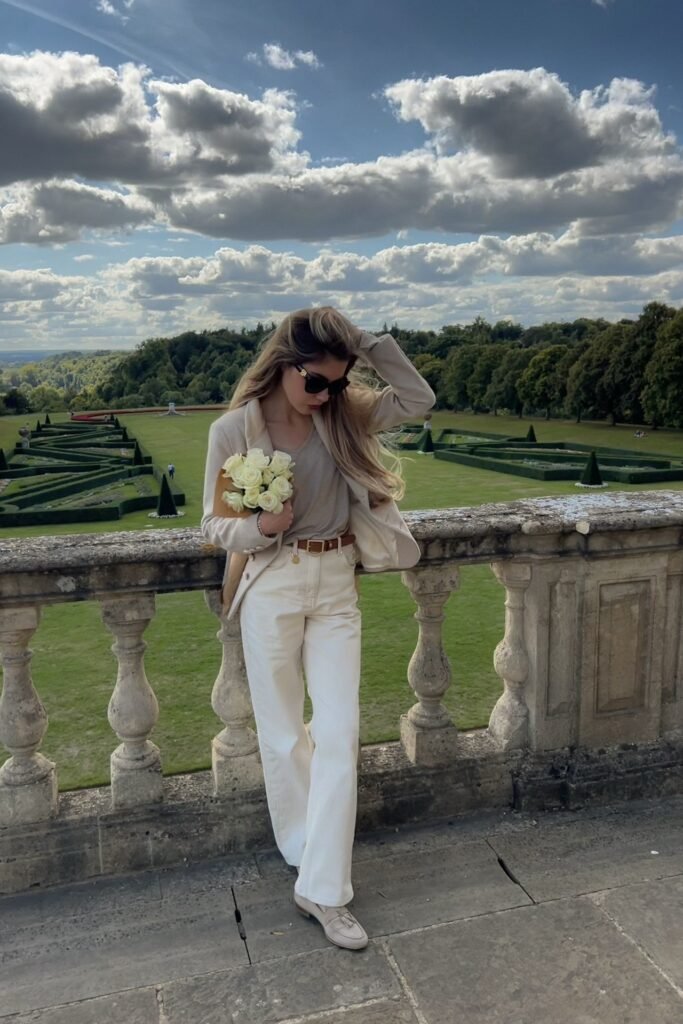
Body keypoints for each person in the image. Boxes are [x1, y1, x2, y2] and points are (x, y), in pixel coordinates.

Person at [201, 307, 435, 951]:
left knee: (338, 731)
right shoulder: (233, 429)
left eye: (337, 383)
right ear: (284, 365)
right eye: (315, 382)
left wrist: (369, 344)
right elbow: (213, 525)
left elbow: (418, 400)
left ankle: (325, 890)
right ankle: (310, 861)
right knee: (282, 735)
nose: (326, 395)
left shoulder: (344, 413)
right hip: (272, 582)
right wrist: (260, 527)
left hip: (336, 582)